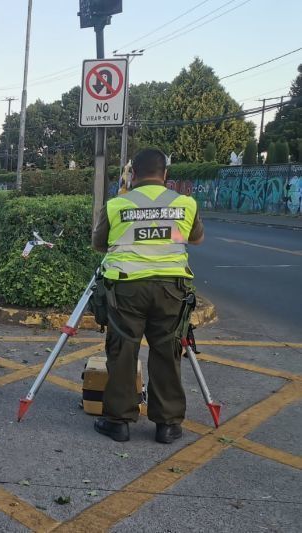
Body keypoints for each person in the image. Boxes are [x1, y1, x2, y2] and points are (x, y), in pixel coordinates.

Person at [91, 148, 205, 444]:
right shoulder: (185, 203)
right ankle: (166, 425)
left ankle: (118, 421)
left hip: (126, 289)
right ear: (165, 174)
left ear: (133, 173)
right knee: (167, 351)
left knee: (123, 351)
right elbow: (196, 238)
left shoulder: (117, 204)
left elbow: (99, 244)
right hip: (172, 289)